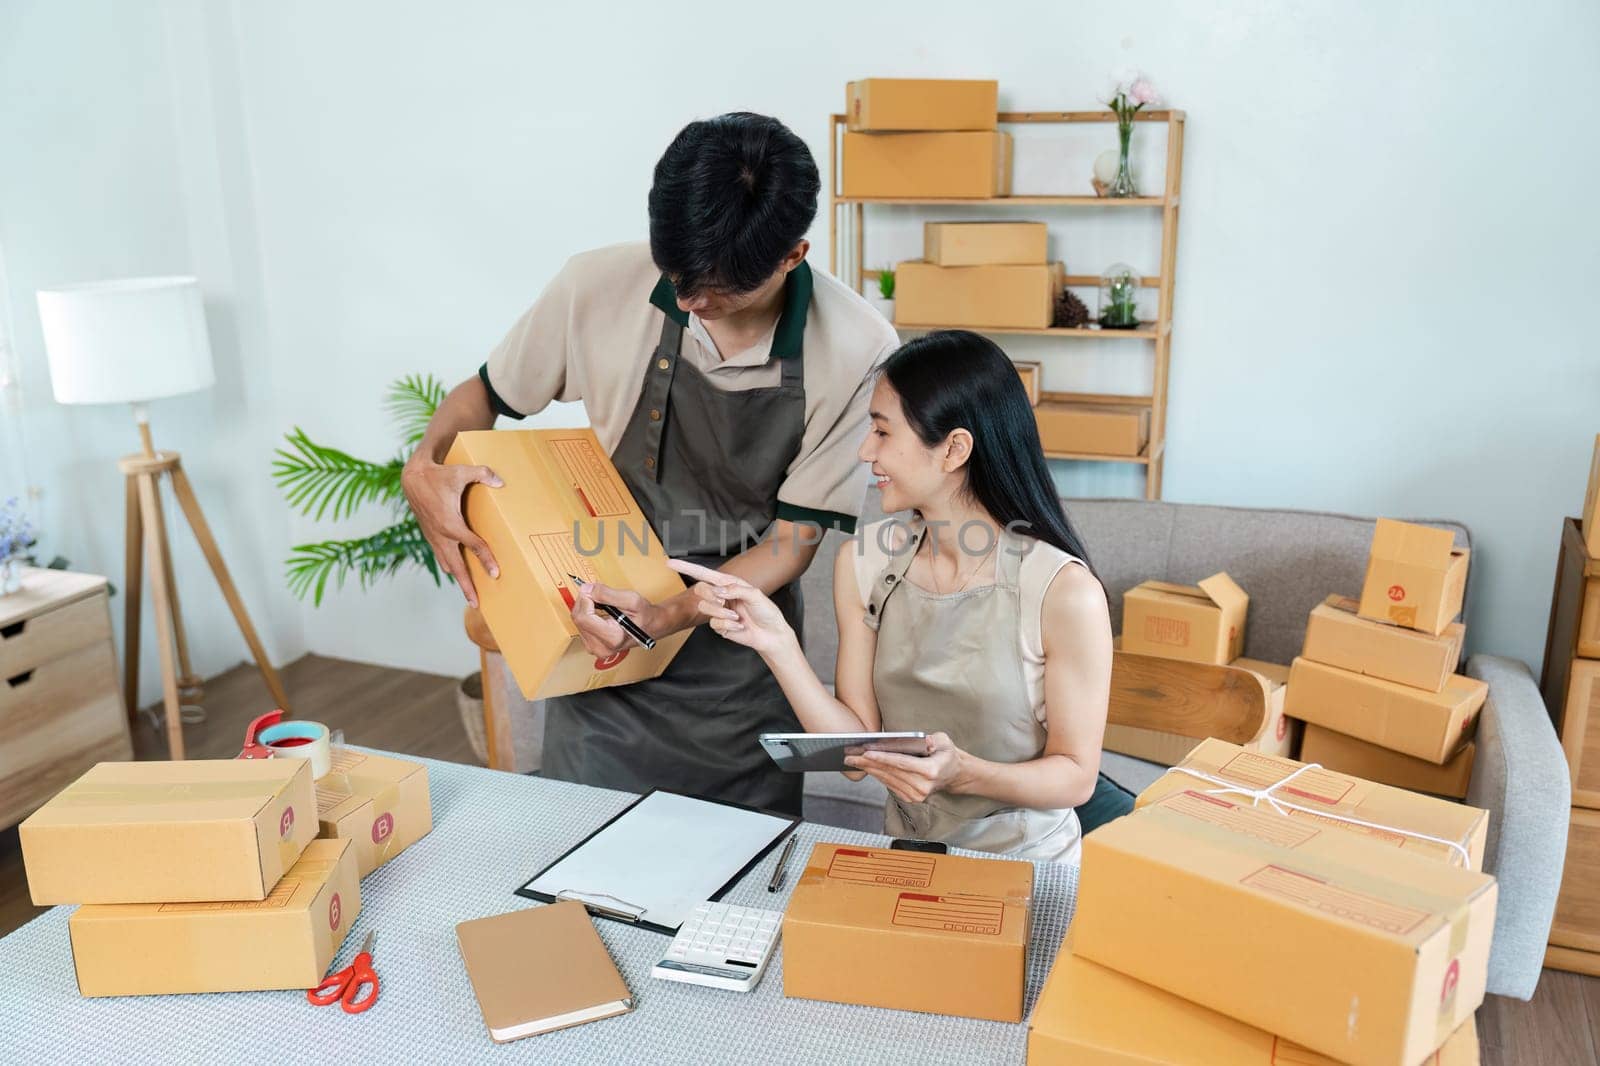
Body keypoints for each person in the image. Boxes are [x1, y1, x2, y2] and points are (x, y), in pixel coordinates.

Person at [401, 113, 899, 815]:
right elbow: (483, 396)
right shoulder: (597, 284)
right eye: (677, 279)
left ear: (792, 255)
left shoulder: (856, 347)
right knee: (582, 862)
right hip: (601, 652)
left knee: (739, 885)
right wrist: (424, 466)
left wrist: (668, 611)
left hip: (733, 675)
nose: (692, 304)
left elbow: (791, 544)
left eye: (720, 292)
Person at [672, 330, 1117, 861]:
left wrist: (965, 773)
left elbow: (1075, 778)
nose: (866, 452)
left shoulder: (1064, 592)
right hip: (905, 855)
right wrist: (777, 643)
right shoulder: (863, 562)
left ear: (954, 448)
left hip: (1029, 867)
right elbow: (856, 752)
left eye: (883, 432)